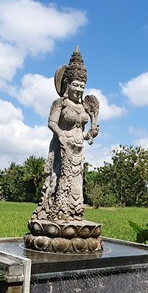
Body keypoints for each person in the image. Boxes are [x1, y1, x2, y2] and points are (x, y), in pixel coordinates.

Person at [31, 47, 99, 224]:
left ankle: (74, 214)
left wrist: (90, 133)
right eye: (75, 85)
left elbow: (82, 133)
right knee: (58, 180)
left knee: (76, 183)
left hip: (77, 149)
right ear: (67, 84)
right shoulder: (60, 103)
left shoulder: (84, 107)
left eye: (82, 86)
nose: (79, 89)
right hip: (62, 147)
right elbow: (51, 123)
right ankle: (55, 213)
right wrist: (61, 135)